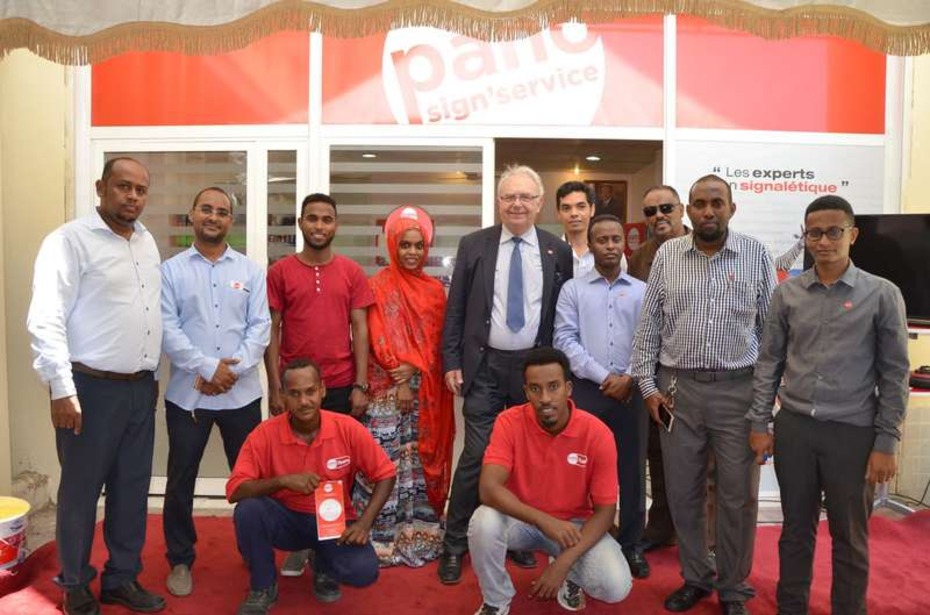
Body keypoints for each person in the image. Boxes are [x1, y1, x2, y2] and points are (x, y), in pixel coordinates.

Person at [747, 195, 910, 615]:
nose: (823, 241)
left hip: (853, 435)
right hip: (796, 430)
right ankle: (791, 606)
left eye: (833, 232)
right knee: (795, 532)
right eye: (814, 233)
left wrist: (886, 442)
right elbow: (769, 362)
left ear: (852, 235)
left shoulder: (882, 294)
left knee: (850, 536)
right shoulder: (788, 294)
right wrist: (760, 422)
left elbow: (895, 375)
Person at [631, 174, 776, 615]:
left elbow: (771, 335)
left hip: (739, 392)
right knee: (683, 492)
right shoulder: (668, 256)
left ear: (732, 208)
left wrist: (765, 404)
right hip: (679, 393)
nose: (708, 211)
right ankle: (696, 576)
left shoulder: (756, 254)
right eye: (699, 203)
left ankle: (733, 587)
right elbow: (649, 327)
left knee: (738, 496)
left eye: (717, 203)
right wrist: (648, 387)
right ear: (689, 211)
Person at [27, 157, 166, 615]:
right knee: (81, 494)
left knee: (131, 490)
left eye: (140, 190)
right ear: (100, 187)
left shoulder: (145, 242)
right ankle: (75, 585)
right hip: (88, 390)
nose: (132, 196)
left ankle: (121, 578)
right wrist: (61, 388)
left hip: (139, 390)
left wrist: (150, 375)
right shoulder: (69, 241)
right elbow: (46, 317)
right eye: (123, 186)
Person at [439, 164, 574, 584]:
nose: (517, 204)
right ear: (498, 202)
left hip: (533, 373)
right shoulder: (474, 245)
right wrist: (451, 361)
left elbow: (561, 313)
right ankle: (455, 542)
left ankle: (517, 538)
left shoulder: (557, 250)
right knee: (478, 455)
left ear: (539, 203)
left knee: (526, 459)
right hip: (484, 367)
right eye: (509, 196)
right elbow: (456, 308)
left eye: (525, 197)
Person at [160, 186, 271, 596]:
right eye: (206, 209)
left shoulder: (250, 271)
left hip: (241, 396)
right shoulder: (170, 271)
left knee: (249, 480)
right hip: (188, 395)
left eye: (221, 211)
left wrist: (230, 373)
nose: (213, 216)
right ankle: (180, 558)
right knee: (180, 479)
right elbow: (167, 329)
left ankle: (254, 549)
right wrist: (208, 368)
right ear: (192, 215)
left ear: (230, 221)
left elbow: (260, 328)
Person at [468, 347, 632, 615]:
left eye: (553, 387)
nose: (545, 398)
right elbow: (488, 488)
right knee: (483, 522)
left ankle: (572, 576)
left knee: (616, 586)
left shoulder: (598, 434)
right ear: (526, 392)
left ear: (568, 389)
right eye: (535, 389)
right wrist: (543, 520)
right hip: (521, 521)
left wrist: (563, 564)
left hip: (573, 529)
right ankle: (496, 601)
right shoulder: (508, 422)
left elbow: (605, 512)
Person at [227, 358, 397, 615]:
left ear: (322, 390)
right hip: (285, 520)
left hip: (333, 524)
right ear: (283, 395)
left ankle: (322, 563)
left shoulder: (347, 427)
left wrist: (364, 523)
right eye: (295, 394)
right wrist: (283, 481)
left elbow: (386, 474)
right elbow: (235, 490)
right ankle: (263, 586)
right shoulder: (264, 434)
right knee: (248, 510)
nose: (304, 401)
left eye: (310, 391)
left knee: (364, 572)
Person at [264, 192, 375, 576]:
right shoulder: (280, 272)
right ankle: (301, 541)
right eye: (312, 218)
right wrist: (276, 388)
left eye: (327, 219)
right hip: (296, 392)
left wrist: (361, 384)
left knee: (337, 472)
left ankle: (326, 550)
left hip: (340, 386)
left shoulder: (351, 271)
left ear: (336, 225)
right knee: (295, 467)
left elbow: (360, 328)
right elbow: (272, 330)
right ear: (300, 223)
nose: (319, 225)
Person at [351, 205, 454, 566]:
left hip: (426, 394)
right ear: (392, 245)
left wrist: (416, 368)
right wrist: (402, 376)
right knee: (387, 465)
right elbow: (375, 335)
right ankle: (380, 540)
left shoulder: (435, 291)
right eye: (405, 244)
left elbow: (440, 342)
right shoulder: (377, 286)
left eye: (418, 245)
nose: (412, 252)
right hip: (387, 394)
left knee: (419, 467)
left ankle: (420, 537)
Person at [553, 214, 650, 579]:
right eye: (602, 240)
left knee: (632, 471)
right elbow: (564, 339)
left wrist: (628, 377)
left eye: (615, 239)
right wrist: (605, 377)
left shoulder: (641, 290)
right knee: (580, 469)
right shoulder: (572, 290)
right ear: (590, 245)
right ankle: (582, 541)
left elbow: (649, 339)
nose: (609, 246)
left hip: (632, 391)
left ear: (624, 244)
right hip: (588, 390)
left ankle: (631, 545)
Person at [627, 185, 691, 553]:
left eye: (666, 208)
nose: (658, 216)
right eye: (650, 212)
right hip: (656, 373)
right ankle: (662, 527)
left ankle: (703, 537)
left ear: (681, 209)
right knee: (659, 453)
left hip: (698, 370)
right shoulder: (640, 257)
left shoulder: (705, 247)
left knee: (703, 461)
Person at [556, 181, 627, 278]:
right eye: (566, 208)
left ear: (592, 209)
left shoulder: (612, 253)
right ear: (558, 213)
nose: (574, 213)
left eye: (581, 207)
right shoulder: (552, 254)